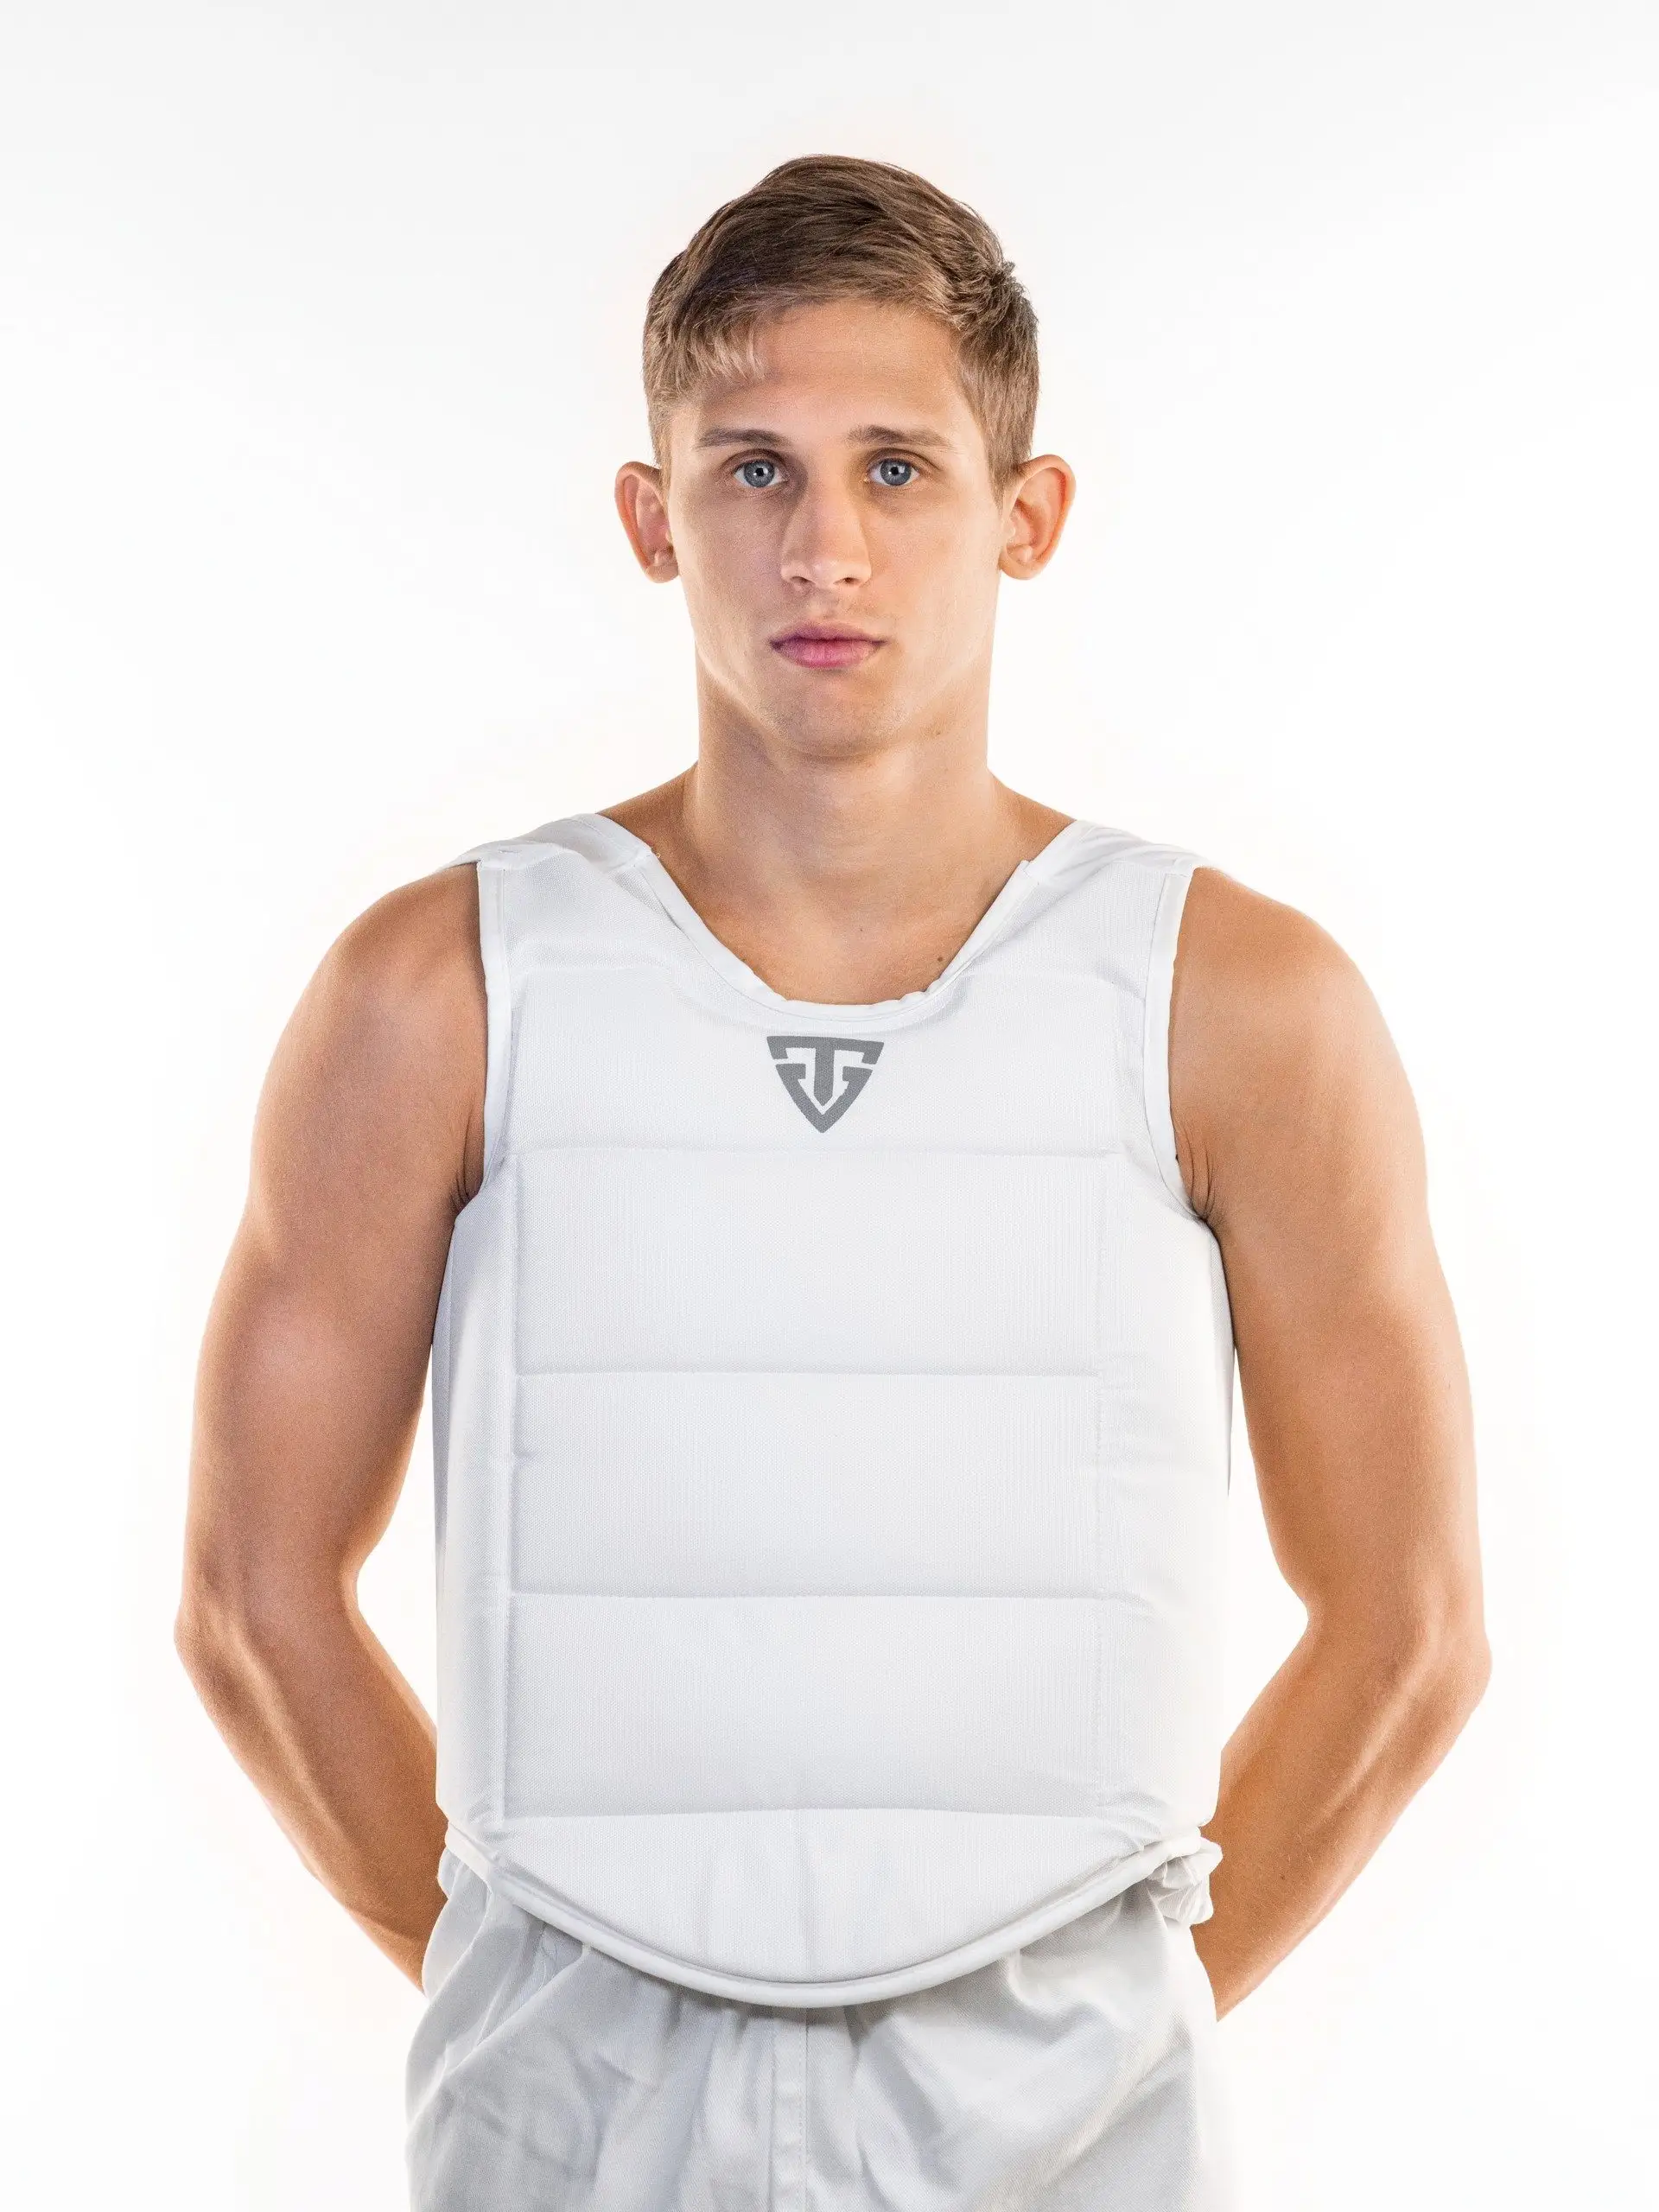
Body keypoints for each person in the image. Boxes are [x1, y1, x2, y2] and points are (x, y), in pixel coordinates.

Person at [175, 155, 1491, 2209]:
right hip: (568, 2095)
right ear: (652, 516)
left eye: (897, 468)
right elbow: (253, 1602)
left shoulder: (1243, 1004)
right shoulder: (433, 991)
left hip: (1074, 2100)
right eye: (754, 470)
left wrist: (1114, 2010)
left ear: (1025, 514)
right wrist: (540, 1990)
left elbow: (1410, 1628)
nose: (826, 548)